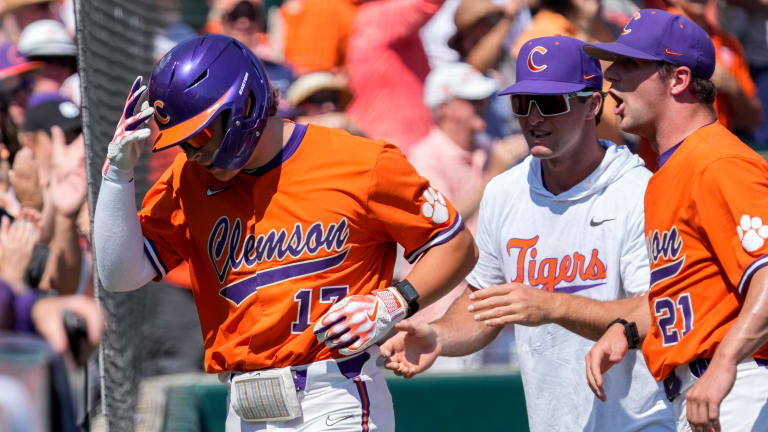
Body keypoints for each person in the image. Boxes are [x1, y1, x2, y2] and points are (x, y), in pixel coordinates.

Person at [93, 34, 477, 431]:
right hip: (243, 407)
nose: (194, 152)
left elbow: (456, 245)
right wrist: (117, 173)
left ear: (244, 103)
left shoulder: (362, 162)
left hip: (335, 393)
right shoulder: (187, 179)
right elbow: (120, 275)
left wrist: (396, 301)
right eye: (182, 142)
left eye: (201, 134)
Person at [381, 36, 674, 432]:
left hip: (639, 421)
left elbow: (656, 313)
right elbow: (484, 304)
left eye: (551, 103)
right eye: (522, 102)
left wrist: (550, 306)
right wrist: (438, 336)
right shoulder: (505, 190)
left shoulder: (639, 191)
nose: (534, 117)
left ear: (592, 105)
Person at [582, 9, 768, 431]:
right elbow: (693, 294)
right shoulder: (667, 173)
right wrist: (626, 330)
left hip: (740, 384)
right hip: (701, 392)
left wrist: (724, 364)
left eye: (630, 65)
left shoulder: (719, 161)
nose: (612, 80)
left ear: (679, 79)